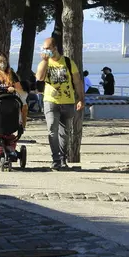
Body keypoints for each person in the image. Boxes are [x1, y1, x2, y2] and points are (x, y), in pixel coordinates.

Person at [36, 37, 85, 170]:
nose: (45, 51)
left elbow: (77, 81)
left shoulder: (68, 62)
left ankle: (63, 159)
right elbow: (39, 77)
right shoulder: (44, 63)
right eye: (44, 49)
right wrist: (45, 61)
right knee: (52, 129)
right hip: (51, 101)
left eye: (47, 49)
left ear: (54, 48)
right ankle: (56, 159)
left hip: (68, 102)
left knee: (65, 132)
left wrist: (81, 98)